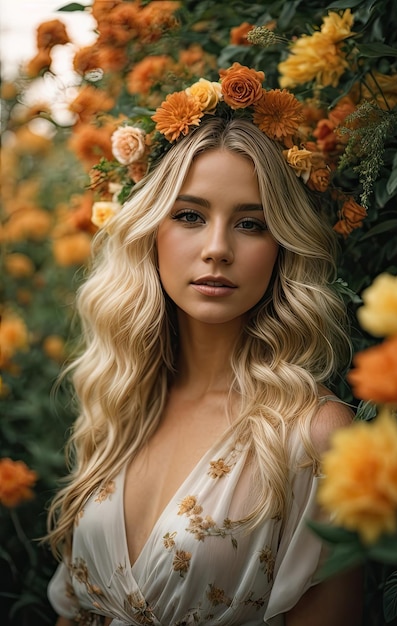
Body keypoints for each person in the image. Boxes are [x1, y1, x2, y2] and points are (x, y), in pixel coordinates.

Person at [46, 64, 363, 626]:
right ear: (150, 232)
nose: (217, 248)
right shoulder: (120, 405)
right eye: (190, 216)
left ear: (283, 246)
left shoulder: (314, 436)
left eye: (250, 224)